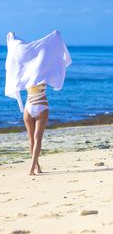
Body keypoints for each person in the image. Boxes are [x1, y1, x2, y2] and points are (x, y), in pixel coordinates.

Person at [5, 30, 72, 175]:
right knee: (37, 139)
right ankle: (33, 167)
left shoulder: (27, 76)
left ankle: (36, 167)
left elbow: (20, 60)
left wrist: (13, 38)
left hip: (28, 108)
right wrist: (56, 37)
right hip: (41, 107)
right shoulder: (44, 74)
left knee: (31, 140)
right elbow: (50, 59)